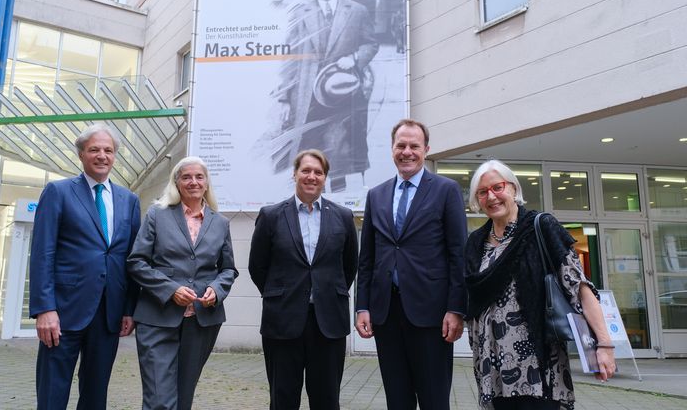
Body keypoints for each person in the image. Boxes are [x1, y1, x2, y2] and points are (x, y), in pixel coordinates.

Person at [464, 159, 616, 409]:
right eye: (483, 192)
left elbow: (580, 287)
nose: (491, 197)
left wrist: (604, 345)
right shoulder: (475, 242)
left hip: (537, 368)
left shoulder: (541, 227)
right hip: (491, 369)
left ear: (513, 188)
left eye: (498, 187)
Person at [355, 119, 467, 409]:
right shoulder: (376, 195)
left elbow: (458, 254)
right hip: (386, 314)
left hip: (432, 315)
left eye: (414, 146)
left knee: (433, 399)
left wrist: (456, 309)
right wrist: (362, 306)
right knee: (397, 399)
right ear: (392, 149)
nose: (407, 151)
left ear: (426, 149)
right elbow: (366, 258)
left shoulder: (446, 190)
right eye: (400, 145)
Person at [29, 123, 141, 410]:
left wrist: (128, 309)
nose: (102, 155)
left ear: (115, 155)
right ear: (81, 154)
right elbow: (43, 253)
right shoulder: (59, 191)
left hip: (108, 314)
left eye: (108, 150)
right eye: (94, 149)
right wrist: (45, 308)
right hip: (63, 313)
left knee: (95, 394)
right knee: (53, 392)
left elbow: (131, 259)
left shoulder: (129, 200)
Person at [249, 149, 358, 409]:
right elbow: (258, 267)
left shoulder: (343, 216)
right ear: (294, 174)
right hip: (283, 322)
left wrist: (325, 292)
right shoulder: (272, 215)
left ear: (325, 178)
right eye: (306, 170)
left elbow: (349, 267)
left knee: (327, 399)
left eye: (318, 172)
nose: (312, 176)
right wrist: (281, 295)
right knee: (283, 398)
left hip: (328, 323)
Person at [127, 156, 238, 410]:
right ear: (176, 182)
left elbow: (228, 270)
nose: (193, 182)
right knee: (159, 399)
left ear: (207, 183)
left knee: (183, 398)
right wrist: (171, 289)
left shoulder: (220, 223)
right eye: (186, 177)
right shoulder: (157, 214)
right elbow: (136, 262)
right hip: (157, 318)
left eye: (199, 177)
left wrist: (216, 290)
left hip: (201, 322)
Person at [273, 0, 379, 192]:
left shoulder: (357, 11)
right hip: (308, 92)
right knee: (311, 144)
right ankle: (310, 194)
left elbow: (371, 44)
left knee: (341, 143)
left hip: (344, 87)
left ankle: (339, 193)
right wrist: (284, 97)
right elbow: (289, 57)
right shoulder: (301, 13)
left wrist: (354, 59)